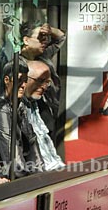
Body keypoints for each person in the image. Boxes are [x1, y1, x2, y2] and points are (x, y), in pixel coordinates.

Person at [0, 59, 44, 178]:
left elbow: (32, 140)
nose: (23, 85)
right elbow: (12, 157)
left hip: (19, 172)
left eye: (25, 81)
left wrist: (40, 174)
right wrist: (31, 180)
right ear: (7, 80)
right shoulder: (0, 109)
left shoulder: (20, 104)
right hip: (0, 175)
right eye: (19, 80)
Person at [20, 21, 66, 154]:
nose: (44, 41)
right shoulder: (19, 63)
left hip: (48, 109)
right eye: (40, 37)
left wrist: (50, 30)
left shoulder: (43, 55)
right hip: (31, 114)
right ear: (26, 40)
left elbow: (61, 37)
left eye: (46, 38)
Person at [22, 60, 64, 171]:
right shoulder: (16, 109)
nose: (44, 86)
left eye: (47, 82)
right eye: (40, 81)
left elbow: (46, 143)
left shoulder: (36, 105)